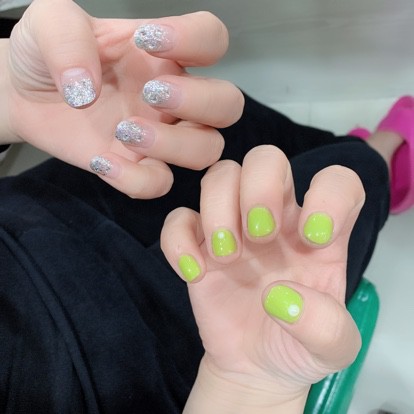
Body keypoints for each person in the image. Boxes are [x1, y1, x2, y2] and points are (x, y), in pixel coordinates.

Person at [1, 1, 413, 413]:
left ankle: (349, 147)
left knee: (229, 128)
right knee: (354, 174)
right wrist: (247, 383)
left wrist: (13, 96)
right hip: (134, 357)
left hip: (34, 215)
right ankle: (379, 161)